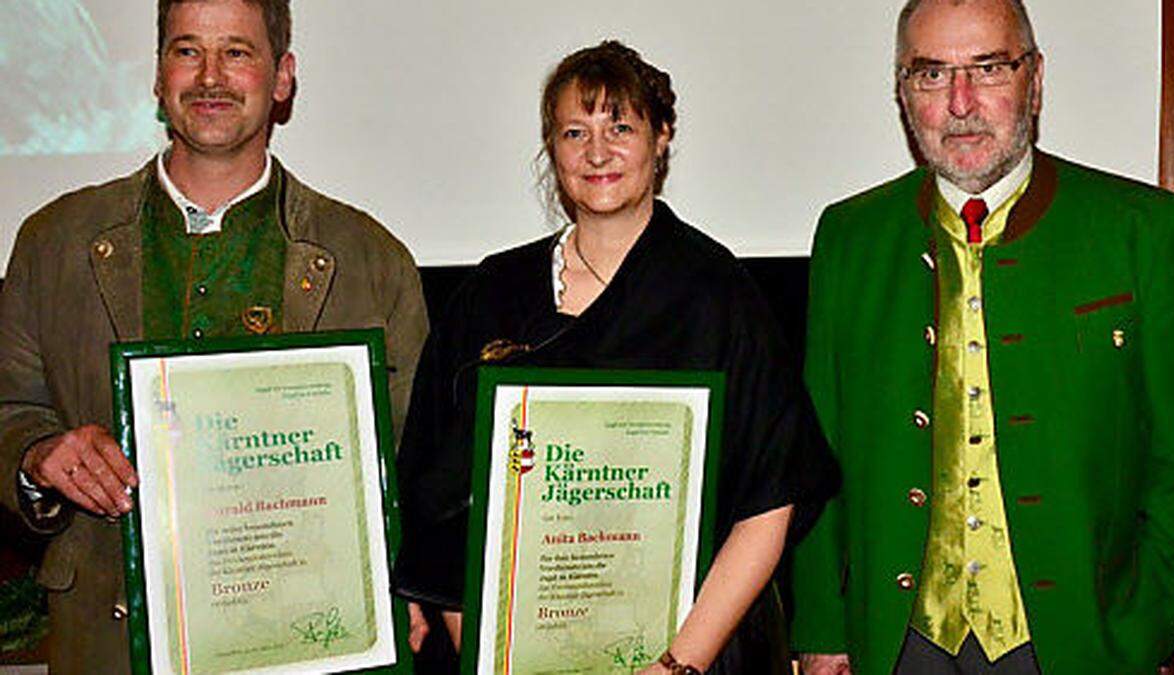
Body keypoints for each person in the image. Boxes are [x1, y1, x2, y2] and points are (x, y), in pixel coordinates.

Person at [0, 1, 428, 672]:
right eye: (186, 50)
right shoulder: (54, 242)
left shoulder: (371, 259)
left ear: (282, 77)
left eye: (237, 51)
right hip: (109, 640)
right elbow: (8, 410)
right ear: (158, 74)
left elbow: (415, 462)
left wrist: (401, 581)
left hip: (308, 644)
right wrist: (39, 455)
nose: (209, 77)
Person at [394, 40, 837, 674]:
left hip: (695, 655)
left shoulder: (717, 295)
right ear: (552, 147)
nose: (597, 152)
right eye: (576, 131)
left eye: (620, 127)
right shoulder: (492, 296)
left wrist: (679, 663)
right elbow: (441, 501)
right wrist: (492, 656)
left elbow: (771, 500)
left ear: (662, 138)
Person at [792, 0, 1174, 673]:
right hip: (898, 641)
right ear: (902, 92)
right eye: (930, 74)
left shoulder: (1143, 231)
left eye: (987, 68)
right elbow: (818, 453)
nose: (960, 103)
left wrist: (1150, 625)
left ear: (1035, 80)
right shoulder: (850, 238)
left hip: (1085, 639)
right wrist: (822, 627)